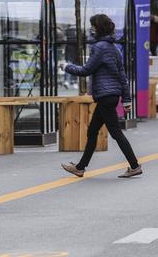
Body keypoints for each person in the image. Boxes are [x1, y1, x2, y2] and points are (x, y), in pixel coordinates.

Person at [61, 14, 142, 178]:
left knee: (116, 133)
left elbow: (86, 70)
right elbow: (122, 76)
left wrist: (66, 66)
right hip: (111, 96)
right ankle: (80, 167)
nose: (91, 29)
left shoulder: (99, 47)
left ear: (98, 28)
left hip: (105, 97)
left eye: (93, 26)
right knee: (93, 131)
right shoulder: (114, 48)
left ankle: (134, 166)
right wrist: (126, 99)